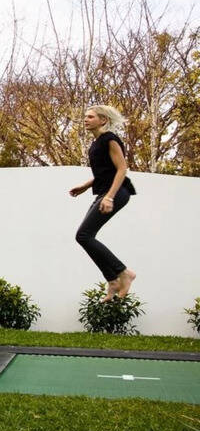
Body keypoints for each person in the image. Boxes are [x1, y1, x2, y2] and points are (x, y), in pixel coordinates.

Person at [69, 104, 137, 300]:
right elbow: (104, 173)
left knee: (84, 235)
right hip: (104, 191)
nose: (85, 119)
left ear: (103, 120)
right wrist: (85, 186)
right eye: (85, 116)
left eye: (90, 116)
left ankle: (123, 273)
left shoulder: (110, 139)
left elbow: (122, 169)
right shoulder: (96, 143)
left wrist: (109, 197)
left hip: (117, 192)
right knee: (84, 236)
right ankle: (114, 280)